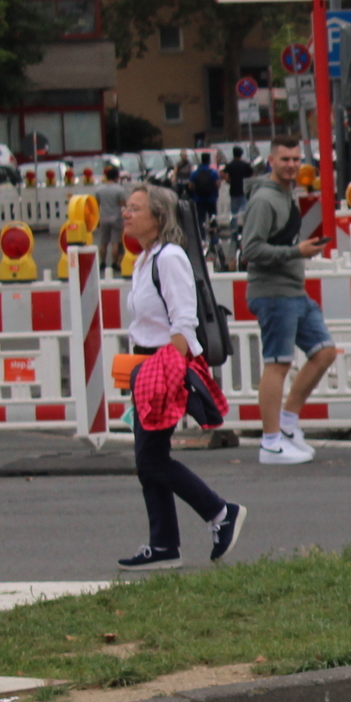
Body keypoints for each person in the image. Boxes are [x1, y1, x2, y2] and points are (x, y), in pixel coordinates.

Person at [115, 183, 245, 570]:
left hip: (161, 366)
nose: (126, 213)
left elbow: (183, 318)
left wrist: (170, 372)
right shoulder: (145, 258)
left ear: (158, 218)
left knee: (151, 458)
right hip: (143, 366)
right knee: (149, 458)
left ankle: (220, 512)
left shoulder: (169, 258)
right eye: (126, 206)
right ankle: (164, 545)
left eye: (135, 208)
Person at [238, 138, 340, 465]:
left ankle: (287, 425)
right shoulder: (265, 200)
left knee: (324, 351)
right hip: (273, 292)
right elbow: (250, 251)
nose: (291, 165)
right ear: (271, 160)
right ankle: (270, 442)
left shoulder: (285, 195)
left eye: (296, 159)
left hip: (293, 290)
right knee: (278, 363)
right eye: (285, 159)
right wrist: (296, 252)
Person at [90, 162, 130, 273]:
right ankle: (114, 263)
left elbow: (96, 205)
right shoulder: (119, 190)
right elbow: (123, 204)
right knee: (115, 242)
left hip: (104, 217)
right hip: (116, 217)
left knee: (103, 242)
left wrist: (96, 219)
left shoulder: (99, 190)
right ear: (117, 177)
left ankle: (102, 263)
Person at [187, 153, 221, 256]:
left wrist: (196, 191)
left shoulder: (195, 173)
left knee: (201, 220)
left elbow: (190, 186)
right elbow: (218, 184)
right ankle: (214, 238)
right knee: (212, 218)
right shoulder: (213, 173)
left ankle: (202, 239)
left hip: (199, 200)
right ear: (209, 160)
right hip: (211, 199)